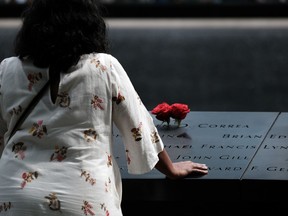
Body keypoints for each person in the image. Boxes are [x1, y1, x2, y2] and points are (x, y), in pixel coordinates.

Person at [0, 0, 208, 215]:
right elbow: (138, 129)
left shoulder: (7, 69)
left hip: (14, 194)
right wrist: (171, 170)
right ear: (89, 25)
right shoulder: (104, 67)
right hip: (84, 195)